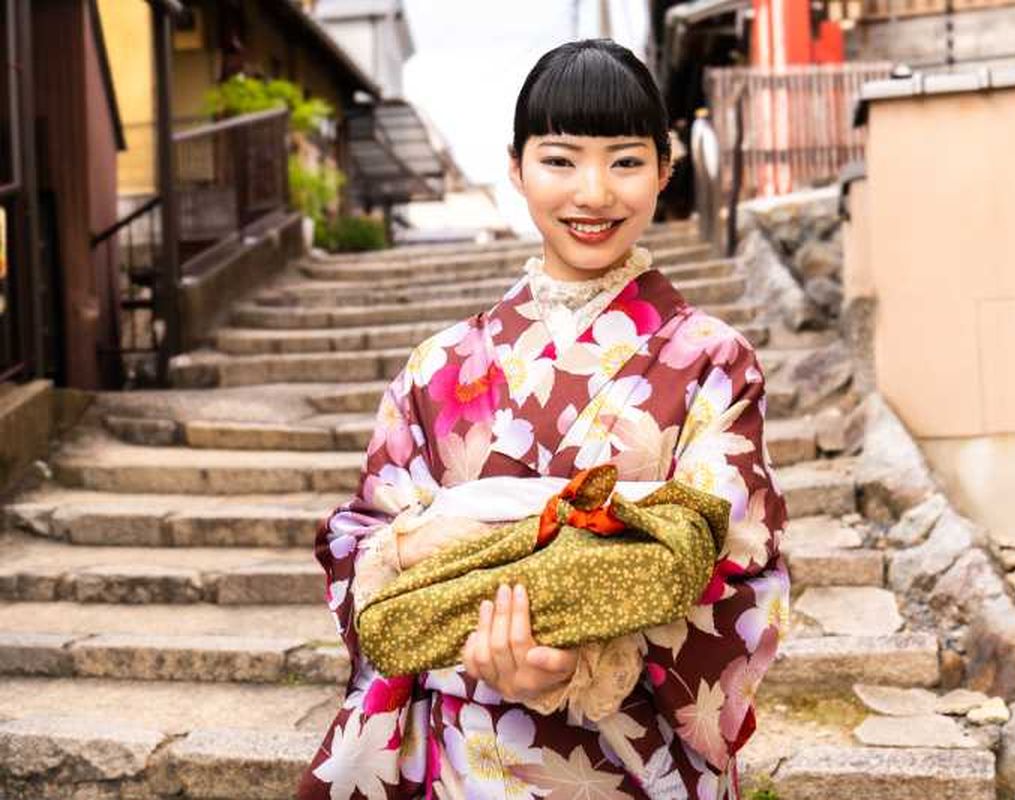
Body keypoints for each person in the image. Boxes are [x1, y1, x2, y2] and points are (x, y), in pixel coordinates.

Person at [298, 38, 789, 800]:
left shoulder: (710, 360)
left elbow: (737, 563)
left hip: (630, 756)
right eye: (560, 160)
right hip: (466, 755)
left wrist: (577, 659)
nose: (593, 193)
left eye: (625, 161)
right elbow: (366, 549)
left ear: (666, 169)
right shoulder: (439, 365)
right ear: (517, 167)